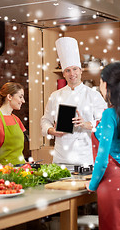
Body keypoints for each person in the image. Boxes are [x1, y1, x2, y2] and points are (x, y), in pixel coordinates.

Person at [41, 37, 107, 166]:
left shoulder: (94, 95)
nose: (72, 74)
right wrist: (51, 130)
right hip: (60, 158)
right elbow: (45, 120)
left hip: (85, 158)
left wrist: (86, 124)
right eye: (68, 70)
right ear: (64, 74)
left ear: (81, 71)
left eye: (75, 69)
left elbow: (105, 124)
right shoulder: (55, 96)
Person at [86, 62, 120, 230]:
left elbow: (102, 158)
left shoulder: (109, 114)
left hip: (110, 183)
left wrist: (92, 184)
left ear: (106, 84)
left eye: (100, 82)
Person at [0, 82, 26, 166]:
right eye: (20, 97)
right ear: (9, 97)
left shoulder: (16, 119)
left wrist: (25, 163)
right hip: (2, 173)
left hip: (20, 169)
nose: (23, 101)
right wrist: (1, 167)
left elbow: (16, 151)